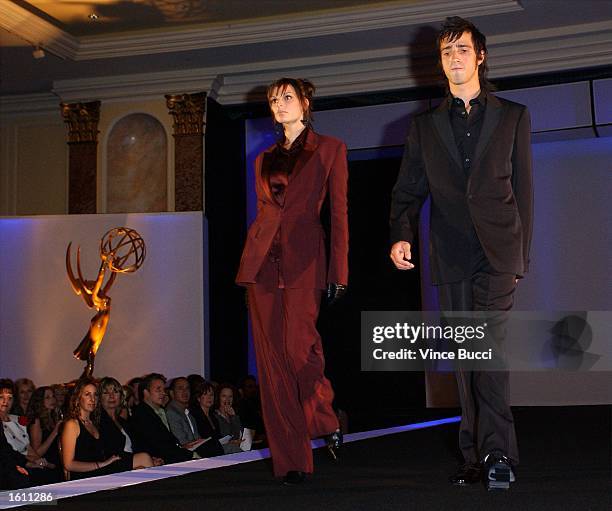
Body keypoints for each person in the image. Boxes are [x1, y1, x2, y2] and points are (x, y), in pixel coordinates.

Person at [389, 16, 533, 490]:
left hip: (497, 252)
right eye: (447, 52)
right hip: (449, 254)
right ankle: (474, 455)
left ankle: (499, 455)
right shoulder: (425, 126)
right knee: (467, 356)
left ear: (480, 56)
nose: (454, 58)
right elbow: (407, 190)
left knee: (487, 352)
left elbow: (524, 192)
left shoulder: (513, 115)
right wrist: (401, 233)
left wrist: (520, 258)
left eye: (462, 49)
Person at [236, 77, 348, 484]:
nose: (279, 104)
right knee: (272, 366)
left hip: (305, 262)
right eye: (273, 100)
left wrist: (339, 271)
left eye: (286, 97)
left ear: (304, 102)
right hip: (261, 265)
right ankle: (292, 462)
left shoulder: (331, 149)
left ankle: (323, 416)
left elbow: (338, 215)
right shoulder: (262, 158)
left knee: (300, 350)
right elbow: (265, 213)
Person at [61, 377, 134, 479]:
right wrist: (101, 464)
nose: (92, 399)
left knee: (141, 470)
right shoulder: (72, 424)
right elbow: (68, 464)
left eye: (95, 395)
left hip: (101, 473)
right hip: (86, 478)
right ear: (78, 398)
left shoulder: (94, 422)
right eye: (87, 394)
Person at [0, 380, 60, 485]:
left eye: (9, 398)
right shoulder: (33, 420)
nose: (6, 401)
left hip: (23, 464)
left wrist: (41, 462)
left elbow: (28, 449)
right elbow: (7, 453)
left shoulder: (17, 419)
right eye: (1, 397)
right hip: (11, 469)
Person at [129, 373, 194, 464]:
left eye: (163, 390)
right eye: (158, 389)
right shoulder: (142, 415)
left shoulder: (157, 411)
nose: (163, 393)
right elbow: (159, 446)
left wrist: (182, 447)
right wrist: (191, 455)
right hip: (157, 463)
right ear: (146, 392)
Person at [97, 377, 157, 469]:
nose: (111, 396)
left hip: (130, 461)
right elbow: (108, 452)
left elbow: (138, 445)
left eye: (115, 392)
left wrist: (151, 458)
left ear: (121, 396)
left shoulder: (123, 422)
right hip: (112, 463)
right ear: (99, 397)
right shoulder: (99, 422)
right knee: (144, 459)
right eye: (106, 393)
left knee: (146, 460)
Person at [166, 377, 222, 458]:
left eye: (187, 388)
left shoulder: (188, 412)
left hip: (198, 449)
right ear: (172, 393)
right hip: (186, 454)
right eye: (180, 388)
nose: (185, 391)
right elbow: (183, 442)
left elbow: (197, 437)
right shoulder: (172, 412)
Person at [26, 386, 62, 468]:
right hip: (44, 468)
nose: (52, 400)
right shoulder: (36, 421)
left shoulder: (53, 418)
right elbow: (37, 453)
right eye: (47, 397)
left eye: (53, 396)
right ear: (40, 401)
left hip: (55, 465)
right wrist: (55, 432)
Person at [189, 381, 224, 457]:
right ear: (198, 398)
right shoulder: (195, 415)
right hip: (205, 450)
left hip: (216, 448)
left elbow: (218, 436)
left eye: (211, 395)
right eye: (205, 394)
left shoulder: (213, 416)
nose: (209, 398)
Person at [213, 384, 243, 454]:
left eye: (230, 396)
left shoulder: (234, 415)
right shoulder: (214, 416)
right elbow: (222, 437)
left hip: (236, 449)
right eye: (224, 396)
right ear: (218, 398)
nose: (227, 399)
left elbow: (239, 435)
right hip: (223, 451)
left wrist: (233, 417)